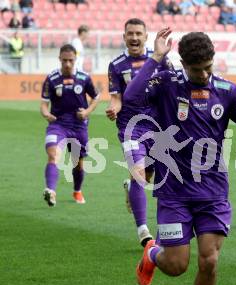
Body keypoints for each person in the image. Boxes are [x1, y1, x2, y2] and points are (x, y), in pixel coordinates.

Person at [124, 29, 236, 285]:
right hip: (173, 191)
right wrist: (156, 57)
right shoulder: (165, 82)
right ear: (183, 64)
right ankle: (151, 253)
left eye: (209, 67)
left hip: (212, 191)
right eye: (198, 70)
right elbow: (132, 100)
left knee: (209, 261)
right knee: (176, 265)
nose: (205, 74)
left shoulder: (225, 90)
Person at [105, 18, 173, 247]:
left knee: (150, 175)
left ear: (146, 36)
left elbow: (172, 89)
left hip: (157, 126)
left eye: (138, 34)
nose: (134, 37)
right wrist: (114, 109)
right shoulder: (116, 65)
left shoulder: (162, 58)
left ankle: (131, 190)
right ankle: (143, 230)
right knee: (139, 173)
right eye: (130, 34)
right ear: (124, 37)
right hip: (130, 126)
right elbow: (116, 98)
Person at [40, 44, 99, 207]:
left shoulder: (84, 77)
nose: (67, 64)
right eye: (64, 60)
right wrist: (45, 113)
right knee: (53, 155)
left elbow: (96, 97)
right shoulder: (51, 78)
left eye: (70, 60)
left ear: (75, 59)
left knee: (77, 163)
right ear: (59, 59)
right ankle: (50, 191)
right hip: (58, 124)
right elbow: (44, 103)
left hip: (79, 126)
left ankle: (77, 190)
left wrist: (87, 112)